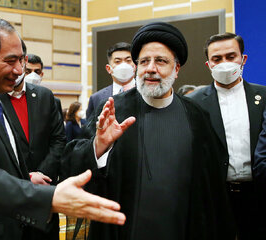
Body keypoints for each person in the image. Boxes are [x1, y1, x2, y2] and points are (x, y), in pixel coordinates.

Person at [0, 18, 125, 240]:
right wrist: (48, 197)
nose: (19, 70)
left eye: (21, 60)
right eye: (11, 61)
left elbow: (9, 162)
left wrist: (97, 145)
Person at [62, 22, 234, 240]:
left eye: (160, 61)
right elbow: (71, 162)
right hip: (126, 230)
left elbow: (212, 188)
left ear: (177, 68)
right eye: (144, 61)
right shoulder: (114, 110)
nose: (151, 68)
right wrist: (99, 146)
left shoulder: (196, 116)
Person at [187, 32, 266, 239]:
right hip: (216, 198)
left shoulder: (263, 96)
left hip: (258, 195)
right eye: (217, 59)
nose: (224, 63)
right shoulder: (193, 103)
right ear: (208, 65)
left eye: (231, 57)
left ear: (243, 59)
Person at [0, 41, 66, 239]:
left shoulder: (46, 97)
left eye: (18, 61)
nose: (14, 68)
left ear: (24, 61)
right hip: (9, 197)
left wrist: (42, 175)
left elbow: (58, 141)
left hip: (44, 193)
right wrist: (25, 178)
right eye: (7, 61)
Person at [86, 42, 136, 121]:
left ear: (135, 65)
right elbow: (89, 131)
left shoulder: (147, 92)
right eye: (117, 61)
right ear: (109, 69)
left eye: (128, 60)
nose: (123, 65)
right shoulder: (96, 98)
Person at [24, 53, 63, 117]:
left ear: (41, 75)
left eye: (37, 72)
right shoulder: (14, 99)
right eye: (27, 72)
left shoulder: (53, 102)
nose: (33, 76)